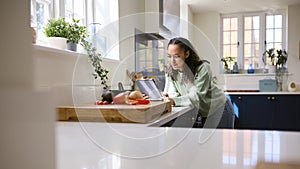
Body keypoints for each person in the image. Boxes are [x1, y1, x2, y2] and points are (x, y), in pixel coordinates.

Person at [163, 37, 235, 128]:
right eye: (169, 56)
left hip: (219, 110)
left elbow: (196, 97)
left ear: (187, 54)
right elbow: (172, 94)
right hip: (203, 114)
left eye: (176, 56)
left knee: (219, 142)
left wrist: (173, 100)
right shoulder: (171, 71)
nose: (172, 61)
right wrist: (168, 98)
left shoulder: (203, 68)